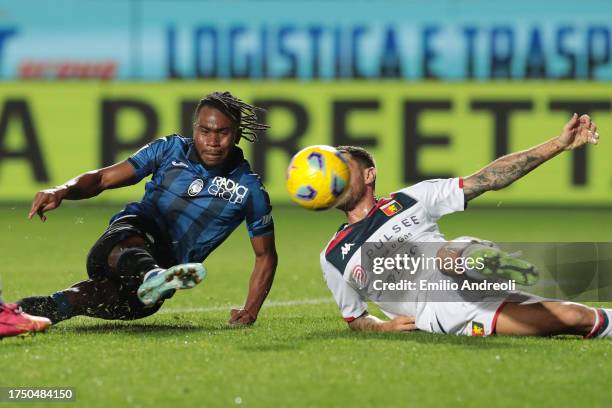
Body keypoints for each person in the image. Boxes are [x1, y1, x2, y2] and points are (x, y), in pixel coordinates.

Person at [321, 114, 612, 338]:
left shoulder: (412, 199)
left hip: (457, 264)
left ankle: (500, 267)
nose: (337, 177)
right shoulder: (333, 256)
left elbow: (488, 179)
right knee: (575, 318)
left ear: (369, 174)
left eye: (344, 168)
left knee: (450, 254)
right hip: (444, 312)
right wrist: (384, 327)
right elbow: (357, 319)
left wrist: (558, 145)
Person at [18, 91, 278, 326]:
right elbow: (102, 179)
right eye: (205, 131)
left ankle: (15, 314)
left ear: (236, 133)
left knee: (72, 300)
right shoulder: (170, 149)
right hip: (121, 243)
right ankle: (154, 275)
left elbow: (265, 255)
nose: (212, 140)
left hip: (150, 292)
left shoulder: (249, 189)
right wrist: (61, 190)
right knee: (135, 237)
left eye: (222, 132)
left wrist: (250, 311)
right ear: (195, 128)